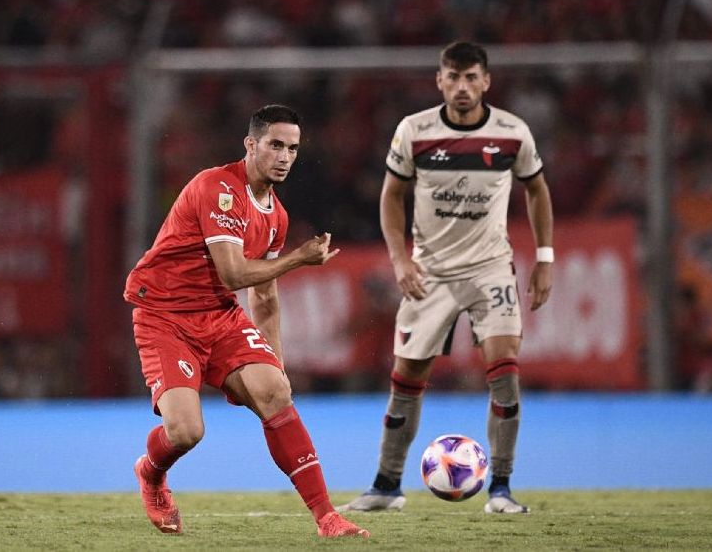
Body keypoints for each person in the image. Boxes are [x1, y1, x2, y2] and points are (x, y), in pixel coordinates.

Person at [124, 104, 369, 538]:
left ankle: (327, 517)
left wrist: (274, 364)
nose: (285, 156)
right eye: (275, 145)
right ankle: (151, 472)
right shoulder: (216, 188)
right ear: (250, 145)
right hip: (166, 316)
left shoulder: (276, 216)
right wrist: (299, 259)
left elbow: (264, 294)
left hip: (220, 317)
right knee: (185, 432)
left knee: (276, 393)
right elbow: (235, 273)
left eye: (293, 148)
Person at [339, 42, 554, 514]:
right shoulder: (414, 132)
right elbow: (391, 196)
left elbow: (536, 189)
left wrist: (545, 258)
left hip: (490, 268)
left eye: (471, 78)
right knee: (407, 376)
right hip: (430, 273)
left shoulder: (512, 134)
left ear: (486, 82)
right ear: (439, 81)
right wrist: (400, 260)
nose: (462, 87)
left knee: (505, 370)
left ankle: (500, 488)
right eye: (453, 78)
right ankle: (387, 484)